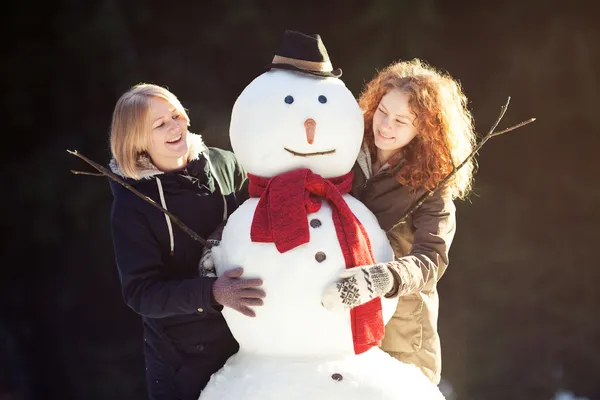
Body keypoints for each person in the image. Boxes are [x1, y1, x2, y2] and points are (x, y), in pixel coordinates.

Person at [322, 58, 476, 384]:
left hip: (400, 332)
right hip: (338, 315)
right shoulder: (346, 151)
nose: (385, 126)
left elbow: (431, 260)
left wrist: (381, 279)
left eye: (401, 121)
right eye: (382, 112)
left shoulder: (434, 187)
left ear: (425, 129)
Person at [108, 83, 266, 399]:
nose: (175, 127)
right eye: (160, 124)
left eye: (176, 115)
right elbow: (142, 293)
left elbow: (261, 212)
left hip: (249, 341)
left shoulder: (224, 164)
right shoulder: (133, 205)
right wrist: (212, 292)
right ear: (137, 139)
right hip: (184, 362)